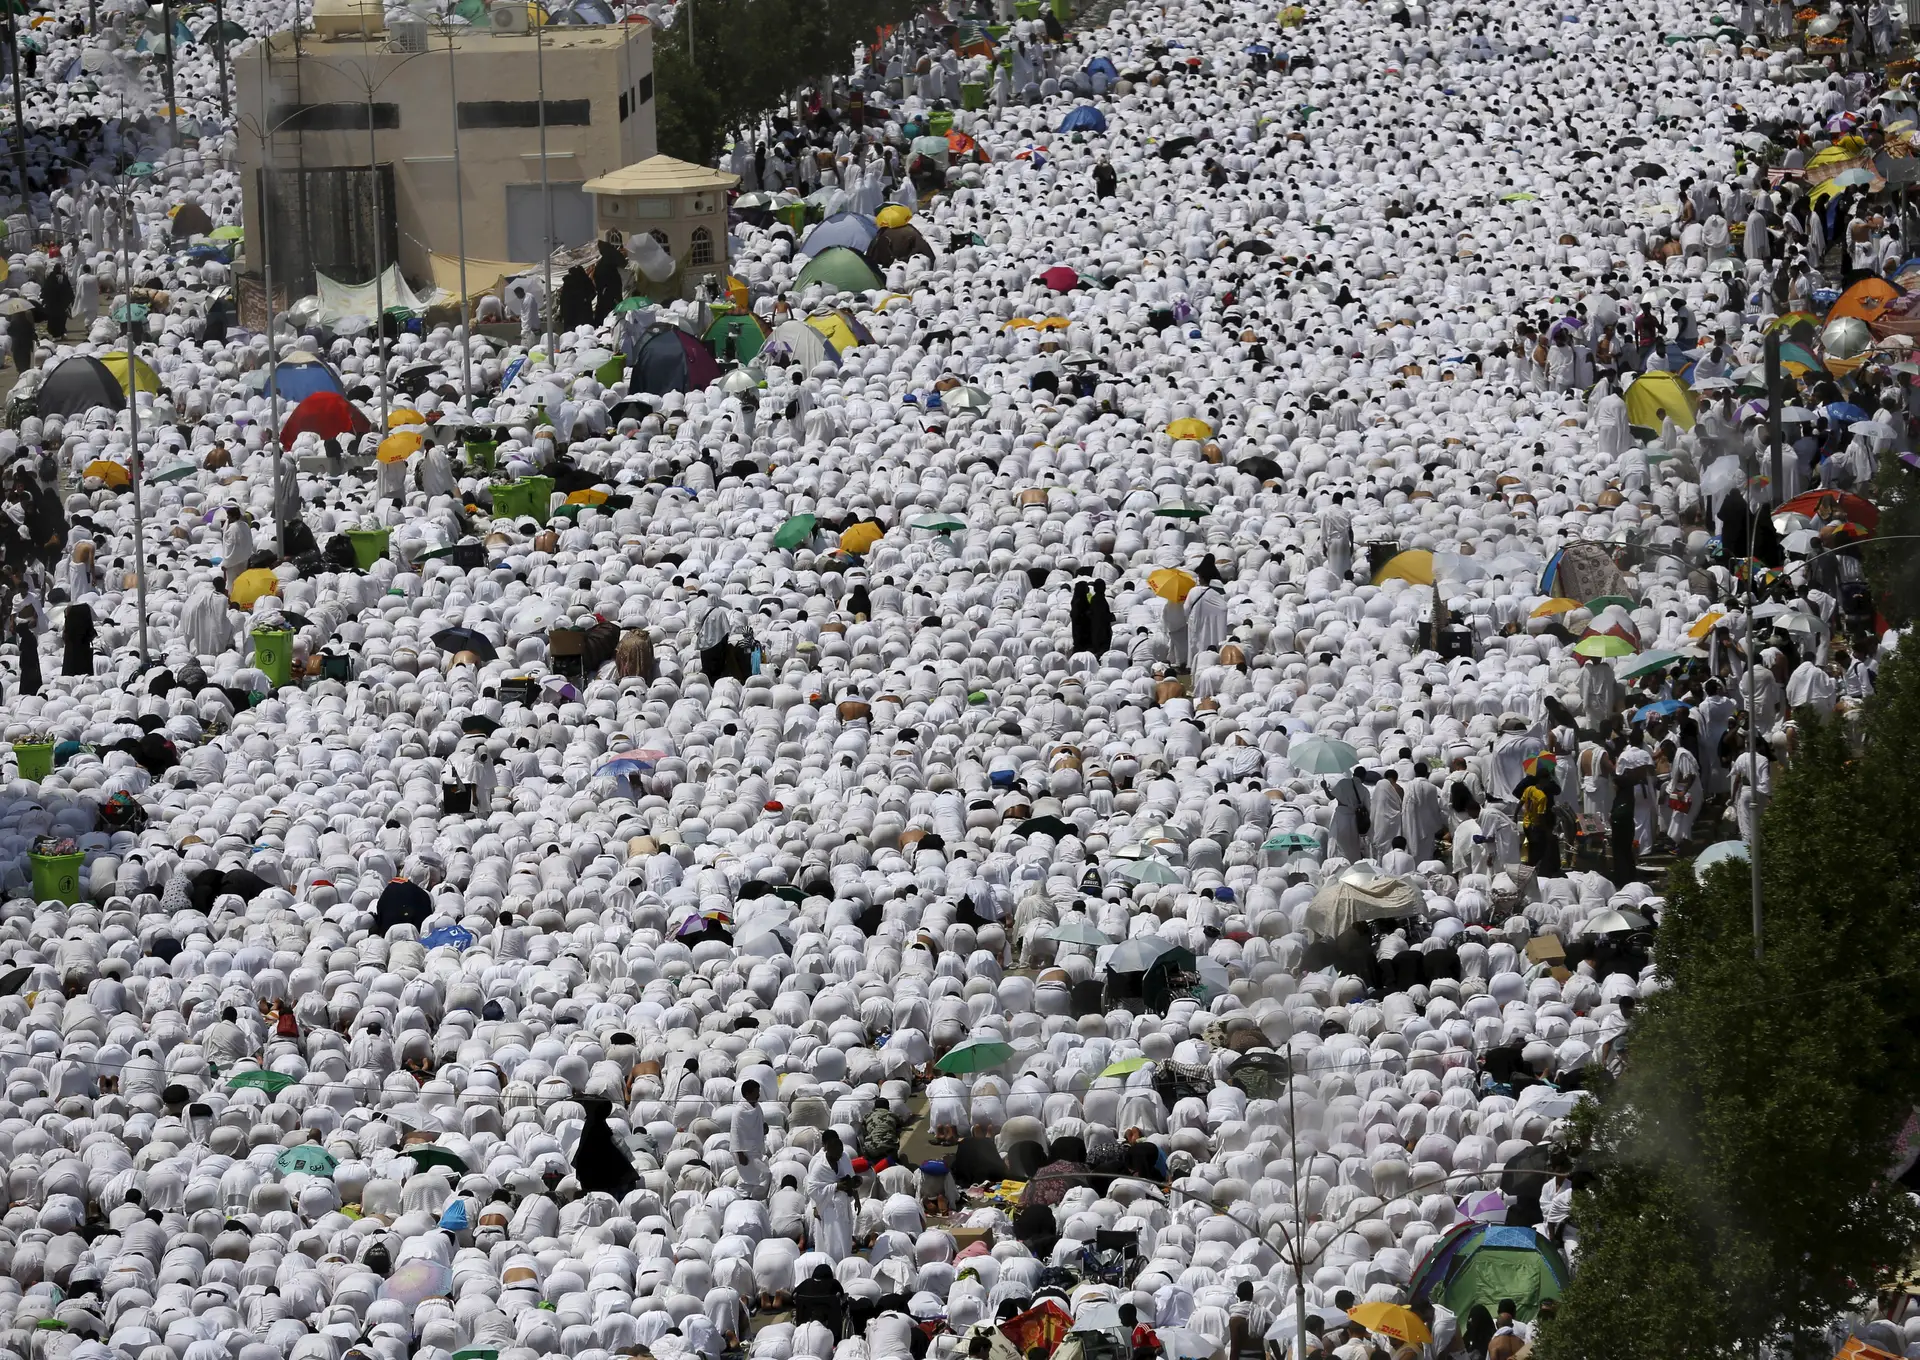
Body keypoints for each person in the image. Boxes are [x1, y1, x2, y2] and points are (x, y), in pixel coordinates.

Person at [806, 1128, 856, 1259]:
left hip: (842, 1205)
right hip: (825, 1206)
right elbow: (813, 1187)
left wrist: (853, 1192)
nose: (840, 1151)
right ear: (826, 1146)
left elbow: (849, 1176)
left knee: (844, 1238)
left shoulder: (843, 1156)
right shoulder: (817, 1163)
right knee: (829, 1240)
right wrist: (815, 1207)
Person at [732, 1077, 768, 1197]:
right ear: (748, 1093)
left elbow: (760, 1124)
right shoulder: (739, 1111)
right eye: (756, 1092)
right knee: (749, 1179)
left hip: (756, 1149)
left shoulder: (757, 1107)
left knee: (758, 1179)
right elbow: (736, 1132)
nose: (758, 1095)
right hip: (744, 1152)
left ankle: (751, 1199)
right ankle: (742, 1197)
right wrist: (739, 1153)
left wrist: (764, 1128)